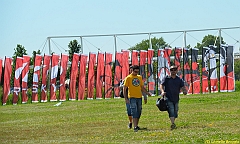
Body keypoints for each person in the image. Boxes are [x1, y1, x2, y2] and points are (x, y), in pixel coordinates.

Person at [123, 65, 152, 132]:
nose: (136, 73)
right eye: (134, 71)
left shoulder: (139, 77)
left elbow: (141, 87)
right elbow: (125, 89)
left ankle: (136, 125)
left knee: (139, 112)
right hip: (132, 97)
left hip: (139, 97)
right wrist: (126, 98)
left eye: (137, 71)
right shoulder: (128, 78)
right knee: (134, 112)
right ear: (131, 70)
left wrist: (146, 94)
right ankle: (135, 126)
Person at [160, 65, 187, 130]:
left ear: (177, 71)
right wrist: (162, 91)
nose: (173, 71)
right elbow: (161, 85)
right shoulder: (166, 78)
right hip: (168, 97)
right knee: (171, 110)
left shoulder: (179, 79)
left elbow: (182, 86)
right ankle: (172, 123)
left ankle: (173, 121)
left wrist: (184, 91)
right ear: (170, 71)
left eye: (175, 70)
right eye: (172, 70)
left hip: (176, 98)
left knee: (176, 110)